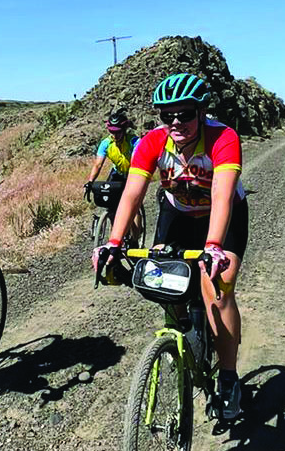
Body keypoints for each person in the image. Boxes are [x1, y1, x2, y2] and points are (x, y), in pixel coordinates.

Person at [93, 73, 248, 421]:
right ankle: (187, 333)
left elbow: (222, 195)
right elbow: (133, 193)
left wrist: (212, 247)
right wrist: (114, 243)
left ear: (201, 111)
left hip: (223, 217)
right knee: (161, 280)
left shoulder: (222, 138)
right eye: (167, 115)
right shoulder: (151, 142)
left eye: (186, 114)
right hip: (177, 212)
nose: (176, 122)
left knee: (217, 287)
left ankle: (228, 377)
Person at [85, 108, 142, 242]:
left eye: (117, 132)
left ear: (124, 130)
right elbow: (98, 164)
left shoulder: (134, 142)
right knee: (110, 204)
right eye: (111, 132)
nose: (114, 135)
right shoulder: (106, 143)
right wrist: (90, 181)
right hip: (117, 172)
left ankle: (135, 239)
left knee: (133, 206)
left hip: (132, 172)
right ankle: (118, 235)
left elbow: (135, 163)